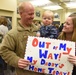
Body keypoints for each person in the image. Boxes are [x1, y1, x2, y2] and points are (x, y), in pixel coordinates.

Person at [0, 2, 45, 75]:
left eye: (33, 13)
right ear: (21, 14)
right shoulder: (13, 34)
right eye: (30, 14)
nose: (33, 16)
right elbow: (4, 50)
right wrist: (16, 60)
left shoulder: (39, 30)